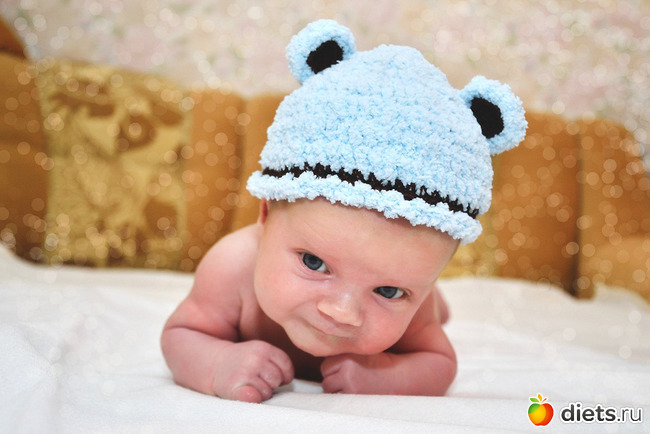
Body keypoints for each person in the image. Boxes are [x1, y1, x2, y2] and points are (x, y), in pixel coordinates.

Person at [161, 19, 527, 403]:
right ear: (265, 215)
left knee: (431, 316)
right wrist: (218, 361)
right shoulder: (233, 266)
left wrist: (387, 376)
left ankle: (440, 307)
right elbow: (182, 334)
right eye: (314, 263)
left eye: (387, 291)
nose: (342, 312)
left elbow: (438, 363)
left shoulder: (416, 298)